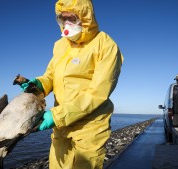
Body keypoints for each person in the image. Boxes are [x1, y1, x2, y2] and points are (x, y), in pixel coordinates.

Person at [21, 0, 123, 168]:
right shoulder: (60, 45)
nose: (67, 23)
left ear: (85, 18)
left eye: (72, 18)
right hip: (61, 126)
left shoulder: (106, 45)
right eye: (63, 18)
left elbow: (98, 92)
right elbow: (51, 75)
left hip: (90, 126)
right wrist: (38, 85)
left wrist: (57, 115)